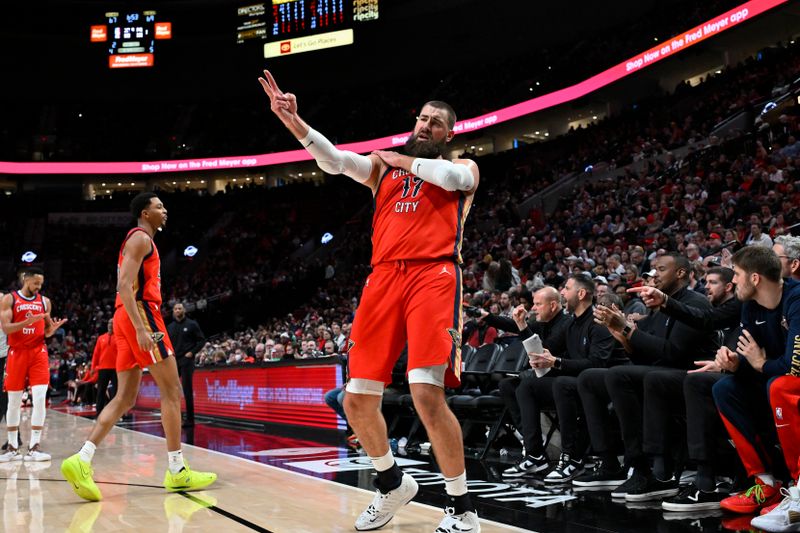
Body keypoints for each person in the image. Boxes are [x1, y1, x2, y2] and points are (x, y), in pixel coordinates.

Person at [259, 70, 482, 532]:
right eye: (421, 119)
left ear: (449, 133)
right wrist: (296, 124)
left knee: (425, 392)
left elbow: (447, 174)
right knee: (356, 399)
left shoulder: (464, 168)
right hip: (383, 279)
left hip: (434, 275)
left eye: (436, 123)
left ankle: (462, 508)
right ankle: (391, 482)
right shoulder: (383, 171)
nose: (425, 126)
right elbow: (336, 161)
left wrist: (400, 158)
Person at [60, 192, 216, 501]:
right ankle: (177, 470)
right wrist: (143, 328)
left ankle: (82, 459)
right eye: (159, 206)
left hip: (125, 317)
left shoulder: (142, 240)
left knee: (124, 397)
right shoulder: (141, 238)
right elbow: (123, 286)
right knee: (172, 391)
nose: (165, 210)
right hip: (141, 314)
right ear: (145, 212)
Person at [576, 253, 718, 498]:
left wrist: (628, 329)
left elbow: (673, 354)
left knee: (620, 375)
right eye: (653, 269)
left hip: (689, 374)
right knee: (589, 378)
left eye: (661, 269)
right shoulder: (658, 308)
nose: (654, 275)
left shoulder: (695, 303)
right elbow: (647, 357)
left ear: (681, 273)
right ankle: (609, 462)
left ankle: (644, 467)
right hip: (661, 372)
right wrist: (624, 337)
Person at [503, 275, 625, 483]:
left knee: (561, 383)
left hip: (602, 384)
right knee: (525, 386)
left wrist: (556, 362)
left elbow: (597, 364)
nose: (562, 293)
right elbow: (542, 350)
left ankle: (570, 458)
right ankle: (534, 454)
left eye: (566, 288)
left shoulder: (598, 321)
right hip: (576, 382)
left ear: (581, 293)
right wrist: (522, 326)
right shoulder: (571, 324)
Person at [711, 247, 800, 515]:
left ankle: (798, 487)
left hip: (790, 382)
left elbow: (794, 367)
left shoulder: (796, 300)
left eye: (736, 274)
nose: (733, 280)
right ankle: (766, 483)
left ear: (755, 278)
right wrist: (736, 363)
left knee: (780, 385)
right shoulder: (749, 307)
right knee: (725, 388)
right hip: (777, 381)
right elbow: (752, 360)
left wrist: (761, 364)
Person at [0, 267, 66, 462]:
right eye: (36, 283)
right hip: (16, 352)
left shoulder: (45, 302)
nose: (39, 287)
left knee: (39, 398)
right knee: (13, 401)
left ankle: (34, 447)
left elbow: (45, 331)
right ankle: (12, 447)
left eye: (41, 284)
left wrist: (51, 330)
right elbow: (6, 328)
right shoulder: (10, 299)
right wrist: (27, 322)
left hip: (38, 352)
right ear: (25, 280)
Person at [167, 303, 205, 427]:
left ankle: (190, 420)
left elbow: (201, 340)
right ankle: (177, 418)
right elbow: (165, 343)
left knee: (187, 390)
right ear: (173, 311)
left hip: (187, 360)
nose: (178, 310)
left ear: (184, 310)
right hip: (173, 360)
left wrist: (192, 352)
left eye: (180, 308)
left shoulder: (192, 324)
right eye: (176, 309)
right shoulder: (170, 327)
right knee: (173, 390)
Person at [91, 319, 118, 417]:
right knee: (100, 391)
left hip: (116, 368)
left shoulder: (119, 338)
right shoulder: (101, 338)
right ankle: (99, 413)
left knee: (115, 392)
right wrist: (93, 367)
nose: (110, 325)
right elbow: (96, 354)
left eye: (112, 323)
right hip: (103, 368)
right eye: (109, 323)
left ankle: (115, 414)